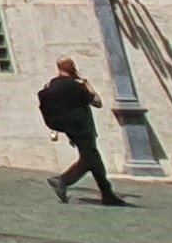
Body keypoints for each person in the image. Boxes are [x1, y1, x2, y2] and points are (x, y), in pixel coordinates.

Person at [39, 56, 120, 205]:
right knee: (90, 159)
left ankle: (107, 194)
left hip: (69, 128)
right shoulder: (74, 85)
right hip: (82, 128)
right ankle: (62, 180)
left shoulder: (50, 85)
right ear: (72, 67)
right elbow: (97, 102)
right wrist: (87, 85)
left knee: (92, 158)